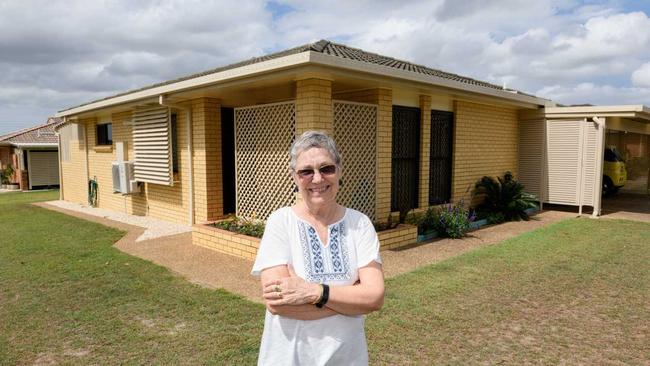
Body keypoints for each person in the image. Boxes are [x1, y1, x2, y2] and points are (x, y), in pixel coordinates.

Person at [251, 130, 385, 365]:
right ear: (294, 176)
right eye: (306, 171)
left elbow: (374, 297)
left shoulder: (360, 224)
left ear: (339, 170)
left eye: (326, 168)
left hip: (346, 358)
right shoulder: (280, 221)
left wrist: (314, 292)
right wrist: (350, 301)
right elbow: (277, 303)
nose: (317, 179)